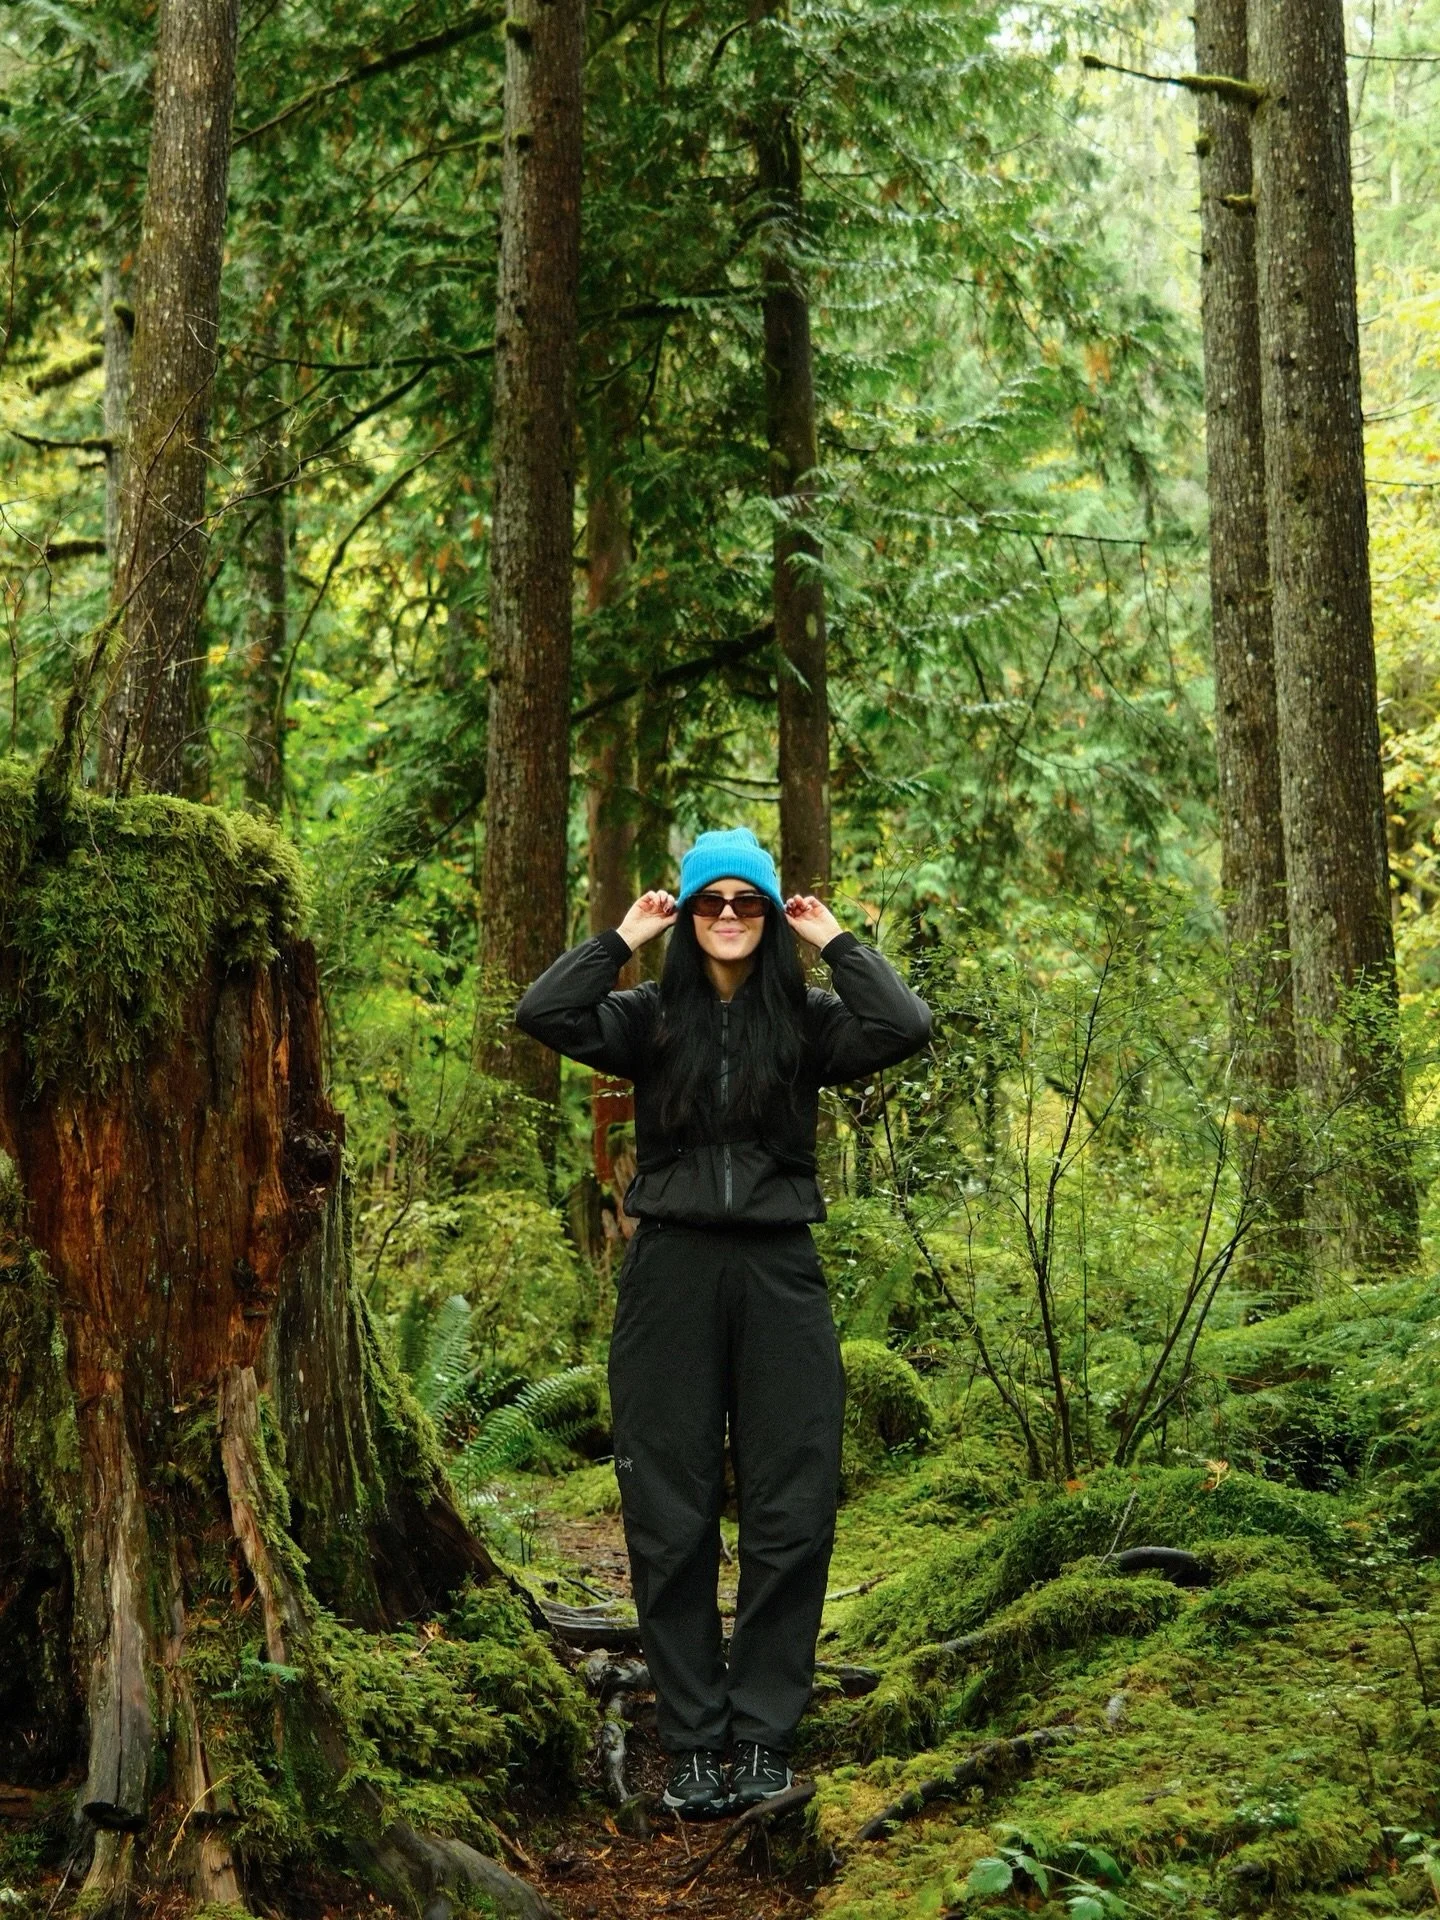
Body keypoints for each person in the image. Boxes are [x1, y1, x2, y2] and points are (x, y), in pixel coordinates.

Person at [515, 827, 932, 1818]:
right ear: (691, 917)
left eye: (750, 902)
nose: (732, 916)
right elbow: (544, 1011)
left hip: (782, 1271)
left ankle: (762, 1735)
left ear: (770, 913)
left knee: (793, 1498)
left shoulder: (810, 1019)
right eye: (714, 903)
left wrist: (834, 942)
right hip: (671, 1273)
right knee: (670, 1505)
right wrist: (622, 936)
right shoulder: (649, 1017)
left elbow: (908, 1025)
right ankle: (695, 1739)